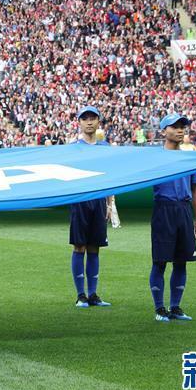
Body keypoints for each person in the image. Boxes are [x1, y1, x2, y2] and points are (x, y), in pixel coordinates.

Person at [149, 113, 196, 323]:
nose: (180, 130)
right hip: (164, 209)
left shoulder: (189, 157)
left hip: (184, 211)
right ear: (164, 131)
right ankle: (159, 308)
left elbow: (195, 188)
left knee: (182, 261)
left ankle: (175, 307)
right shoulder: (156, 157)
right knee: (160, 261)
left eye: (182, 126)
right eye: (175, 126)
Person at [69, 106, 112, 308]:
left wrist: (110, 204)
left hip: (99, 201)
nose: (89, 122)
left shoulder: (105, 148)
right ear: (79, 122)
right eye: (85, 118)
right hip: (80, 200)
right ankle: (81, 295)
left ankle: (93, 293)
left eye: (92, 118)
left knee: (95, 247)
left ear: (98, 122)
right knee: (80, 246)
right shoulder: (73, 148)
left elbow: (111, 177)